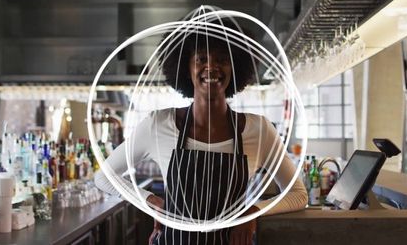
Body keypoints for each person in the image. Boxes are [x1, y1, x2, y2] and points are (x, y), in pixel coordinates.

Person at [95, 20, 308, 245]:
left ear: (235, 67)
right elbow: (103, 177)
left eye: (222, 60)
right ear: (186, 68)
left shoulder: (260, 130)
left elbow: (298, 195)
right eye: (201, 59)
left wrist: (253, 212)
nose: (212, 67)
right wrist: (154, 203)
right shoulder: (158, 124)